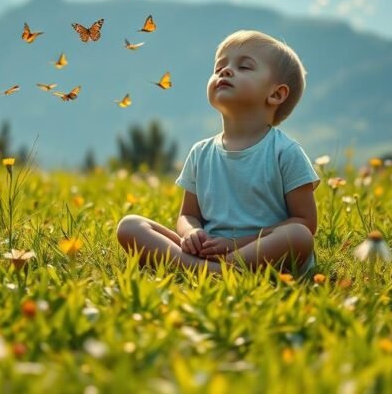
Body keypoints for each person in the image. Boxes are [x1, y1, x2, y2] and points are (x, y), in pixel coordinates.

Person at [116, 30, 320, 274]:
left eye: (244, 67)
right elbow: (188, 215)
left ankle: (205, 269)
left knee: (298, 236)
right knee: (130, 226)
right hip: (208, 251)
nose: (225, 71)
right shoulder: (201, 152)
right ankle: (211, 270)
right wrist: (191, 233)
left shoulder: (285, 152)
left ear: (276, 94)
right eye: (219, 67)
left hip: (260, 252)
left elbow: (305, 222)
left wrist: (234, 246)